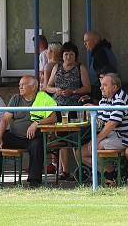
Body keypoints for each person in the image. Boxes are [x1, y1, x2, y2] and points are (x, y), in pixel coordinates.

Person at [0, 75, 57, 189]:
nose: (20, 87)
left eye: (23, 84)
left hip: (32, 137)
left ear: (34, 87)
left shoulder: (43, 98)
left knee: (37, 144)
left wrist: (37, 123)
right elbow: (5, 120)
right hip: (15, 136)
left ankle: (34, 181)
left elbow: (53, 118)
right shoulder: (15, 99)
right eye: (19, 85)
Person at [45, 41, 90, 179]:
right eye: (66, 54)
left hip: (74, 107)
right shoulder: (56, 67)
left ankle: (81, 170)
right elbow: (48, 86)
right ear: (62, 56)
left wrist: (73, 91)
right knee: (61, 138)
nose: (68, 57)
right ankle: (65, 170)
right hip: (58, 107)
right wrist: (56, 90)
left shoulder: (80, 68)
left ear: (75, 56)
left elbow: (87, 88)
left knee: (76, 137)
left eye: (71, 54)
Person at [80, 73, 128, 184]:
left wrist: (97, 139)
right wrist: (91, 114)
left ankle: (112, 176)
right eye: (101, 85)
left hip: (124, 138)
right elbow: (100, 123)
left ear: (114, 87)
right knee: (80, 153)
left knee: (97, 146)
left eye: (104, 85)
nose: (101, 87)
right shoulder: (104, 99)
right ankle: (111, 172)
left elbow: (112, 123)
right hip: (110, 136)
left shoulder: (120, 98)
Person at [83, 30, 118, 99]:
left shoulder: (100, 53)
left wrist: (95, 96)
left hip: (101, 93)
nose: (84, 44)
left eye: (86, 41)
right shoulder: (103, 50)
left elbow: (104, 76)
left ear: (95, 41)